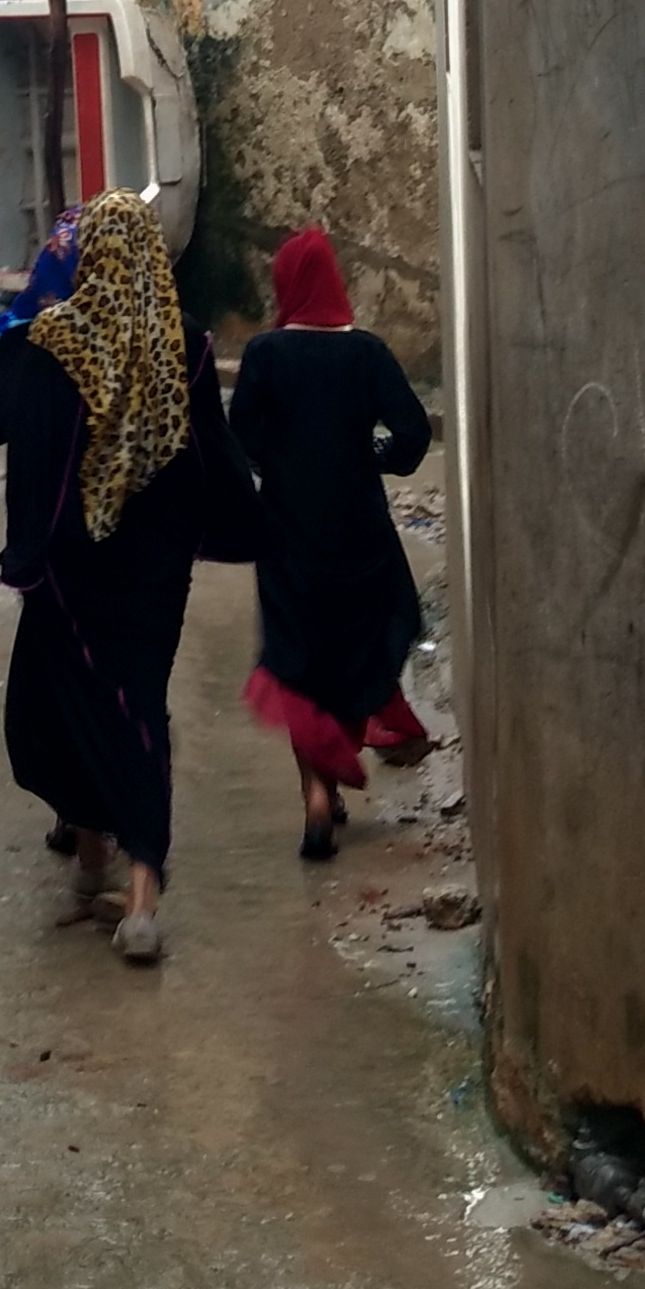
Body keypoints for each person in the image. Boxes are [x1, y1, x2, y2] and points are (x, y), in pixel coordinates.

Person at [0, 191, 251, 967]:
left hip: (69, 572)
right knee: (135, 714)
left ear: (89, 253)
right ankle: (136, 895)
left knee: (58, 710)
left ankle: (98, 866)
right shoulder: (186, 345)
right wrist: (247, 527)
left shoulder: (53, 339)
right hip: (152, 574)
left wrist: (32, 308)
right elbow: (212, 457)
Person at [231, 225, 434, 860]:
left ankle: (316, 796)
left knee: (300, 659)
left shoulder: (265, 354)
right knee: (359, 644)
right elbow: (413, 433)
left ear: (286, 285)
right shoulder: (367, 354)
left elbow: (241, 434)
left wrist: (280, 465)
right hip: (359, 532)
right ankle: (337, 768)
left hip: (287, 533)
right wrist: (374, 456)